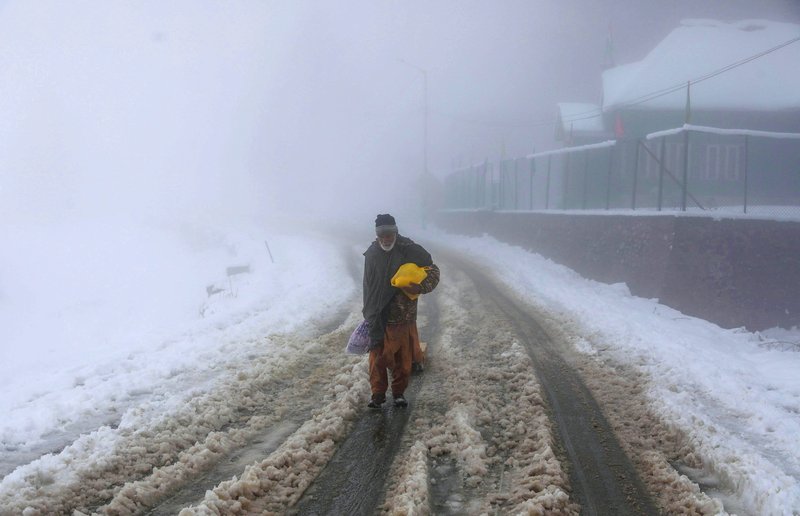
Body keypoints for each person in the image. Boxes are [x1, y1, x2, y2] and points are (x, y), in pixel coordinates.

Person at [362, 213, 440, 409]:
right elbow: (368, 284)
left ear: (396, 232)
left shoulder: (409, 249)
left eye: (390, 234)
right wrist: (367, 311)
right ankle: (377, 394)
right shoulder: (372, 253)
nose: (387, 238)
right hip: (377, 315)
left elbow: (433, 271)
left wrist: (420, 288)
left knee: (402, 358)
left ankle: (398, 393)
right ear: (377, 234)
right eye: (383, 234)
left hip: (402, 315)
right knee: (376, 357)